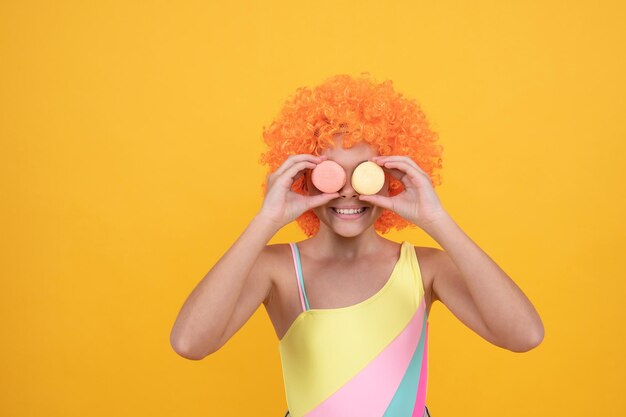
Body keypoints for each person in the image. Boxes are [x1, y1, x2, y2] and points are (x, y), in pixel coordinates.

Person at [170, 73, 545, 417]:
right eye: (330, 174)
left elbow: (524, 336)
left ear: (392, 178)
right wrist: (265, 221)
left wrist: (436, 220)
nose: (348, 189)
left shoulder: (424, 269)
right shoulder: (279, 270)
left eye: (365, 173)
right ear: (302, 178)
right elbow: (190, 343)